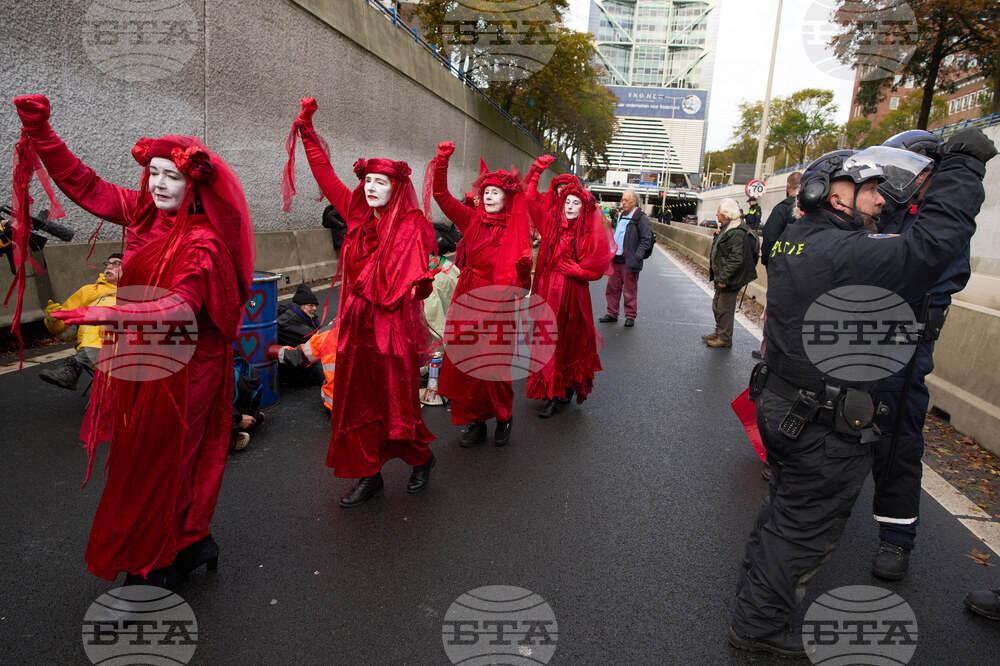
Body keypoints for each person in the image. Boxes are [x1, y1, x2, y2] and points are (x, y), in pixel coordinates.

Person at [729, 130, 995, 657]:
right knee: (803, 529)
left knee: (783, 515)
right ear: (834, 194)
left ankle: (755, 606)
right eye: (869, 188)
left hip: (785, 406)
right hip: (821, 421)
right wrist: (963, 168)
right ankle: (758, 626)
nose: (881, 198)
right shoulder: (846, 251)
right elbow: (931, 248)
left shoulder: (802, 240)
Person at [13, 94, 255, 587]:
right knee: (139, 457)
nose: (160, 184)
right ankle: (182, 545)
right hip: (146, 355)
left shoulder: (203, 240)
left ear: (194, 183)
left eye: (174, 175)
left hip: (191, 364)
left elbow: (183, 306)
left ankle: (166, 553)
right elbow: (85, 185)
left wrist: (113, 311)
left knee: (170, 460)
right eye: (154, 173)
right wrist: (42, 134)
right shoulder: (144, 213)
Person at [284, 98, 436, 508]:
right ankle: (370, 475)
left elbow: (419, 276)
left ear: (397, 187)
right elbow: (326, 175)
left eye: (380, 182)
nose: (370, 186)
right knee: (355, 402)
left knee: (397, 403)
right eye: (367, 179)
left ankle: (422, 458)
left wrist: (419, 286)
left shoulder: (414, 225)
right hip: (355, 324)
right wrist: (308, 133)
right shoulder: (354, 213)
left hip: (392, 329)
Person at [868, 130, 973, 581]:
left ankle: (896, 537)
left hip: (905, 338)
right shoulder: (882, 207)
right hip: (855, 330)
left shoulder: (941, 219)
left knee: (896, 434)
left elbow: (937, 271)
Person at [430, 140, 532, 447]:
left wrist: (525, 274)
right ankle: (474, 422)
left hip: (498, 304)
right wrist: (442, 161)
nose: (488, 196)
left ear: (506, 197)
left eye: (495, 192)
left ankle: (503, 416)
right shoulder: (470, 219)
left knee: (494, 367)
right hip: (468, 297)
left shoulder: (516, 229)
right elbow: (441, 196)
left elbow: (522, 288)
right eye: (485, 192)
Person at [523, 164, 614, 417]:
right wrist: (536, 173)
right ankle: (552, 394)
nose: (571, 206)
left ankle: (565, 388)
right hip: (548, 294)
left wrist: (576, 271)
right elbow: (530, 200)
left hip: (573, 298)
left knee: (570, 343)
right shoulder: (551, 226)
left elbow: (598, 272)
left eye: (576, 202)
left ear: (583, 207)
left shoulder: (588, 235)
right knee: (549, 341)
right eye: (567, 202)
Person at [39, 253, 121, 390]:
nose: (109, 267)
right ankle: (75, 366)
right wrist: (52, 319)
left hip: (130, 345)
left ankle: (74, 367)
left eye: (115, 264)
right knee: (97, 316)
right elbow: (60, 327)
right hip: (99, 345)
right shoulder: (89, 291)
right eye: (107, 263)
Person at [704, 199, 757, 349]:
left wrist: (724, 277)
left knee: (724, 309)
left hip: (730, 278)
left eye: (718, 212)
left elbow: (736, 258)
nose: (716, 214)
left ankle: (725, 338)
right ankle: (719, 332)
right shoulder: (727, 228)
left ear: (726, 214)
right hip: (723, 275)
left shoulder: (736, 232)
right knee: (717, 306)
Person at [599, 190, 652, 327]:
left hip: (630, 261)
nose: (623, 202)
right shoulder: (622, 215)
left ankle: (630, 316)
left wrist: (637, 256)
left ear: (634, 201)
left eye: (626, 200)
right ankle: (612, 313)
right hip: (616, 259)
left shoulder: (641, 218)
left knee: (630, 290)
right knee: (612, 288)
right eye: (622, 200)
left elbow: (646, 240)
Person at [277, 283, 322, 386]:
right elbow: (317, 344)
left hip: (297, 364)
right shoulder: (288, 322)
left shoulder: (304, 317)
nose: (315, 308)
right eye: (311, 305)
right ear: (301, 305)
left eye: (315, 305)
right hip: (297, 371)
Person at [760, 172, 801, 267]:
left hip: (783, 264)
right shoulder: (814, 208)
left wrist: (767, 261)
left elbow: (770, 236)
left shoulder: (782, 208)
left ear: (788, 185)